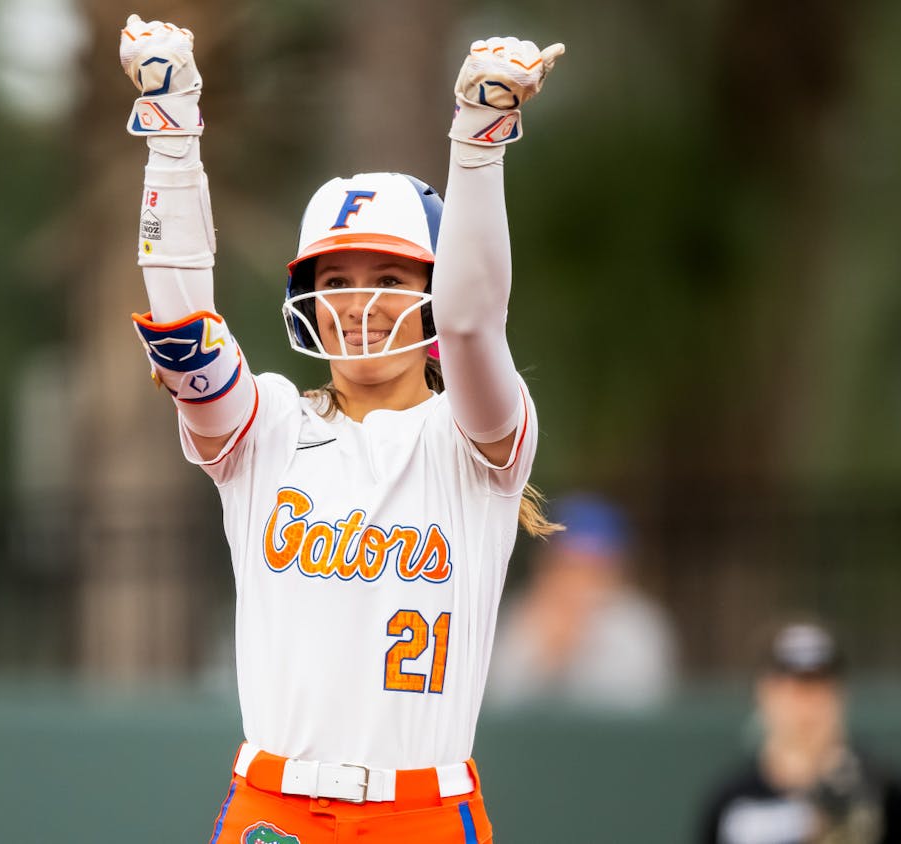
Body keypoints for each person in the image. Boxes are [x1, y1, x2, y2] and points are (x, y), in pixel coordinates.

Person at [117, 15, 564, 843]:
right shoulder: (271, 425)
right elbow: (183, 335)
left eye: (390, 276)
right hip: (274, 812)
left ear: (432, 288)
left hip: (423, 811)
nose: (359, 301)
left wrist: (480, 139)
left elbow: (471, 326)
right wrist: (170, 138)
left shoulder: (474, 441)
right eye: (337, 278)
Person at [697, 621, 901, 844]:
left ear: (840, 695)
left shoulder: (883, 787)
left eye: (820, 690)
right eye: (797, 691)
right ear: (766, 694)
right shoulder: (733, 800)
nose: (809, 706)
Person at [487, 493, 677, 709]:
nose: (579, 579)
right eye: (569, 564)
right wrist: (546, 654)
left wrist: (578, 642)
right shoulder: (522, 614)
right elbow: (495, 703)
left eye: (593, 567)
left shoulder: (638, 622)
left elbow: (642, 707)